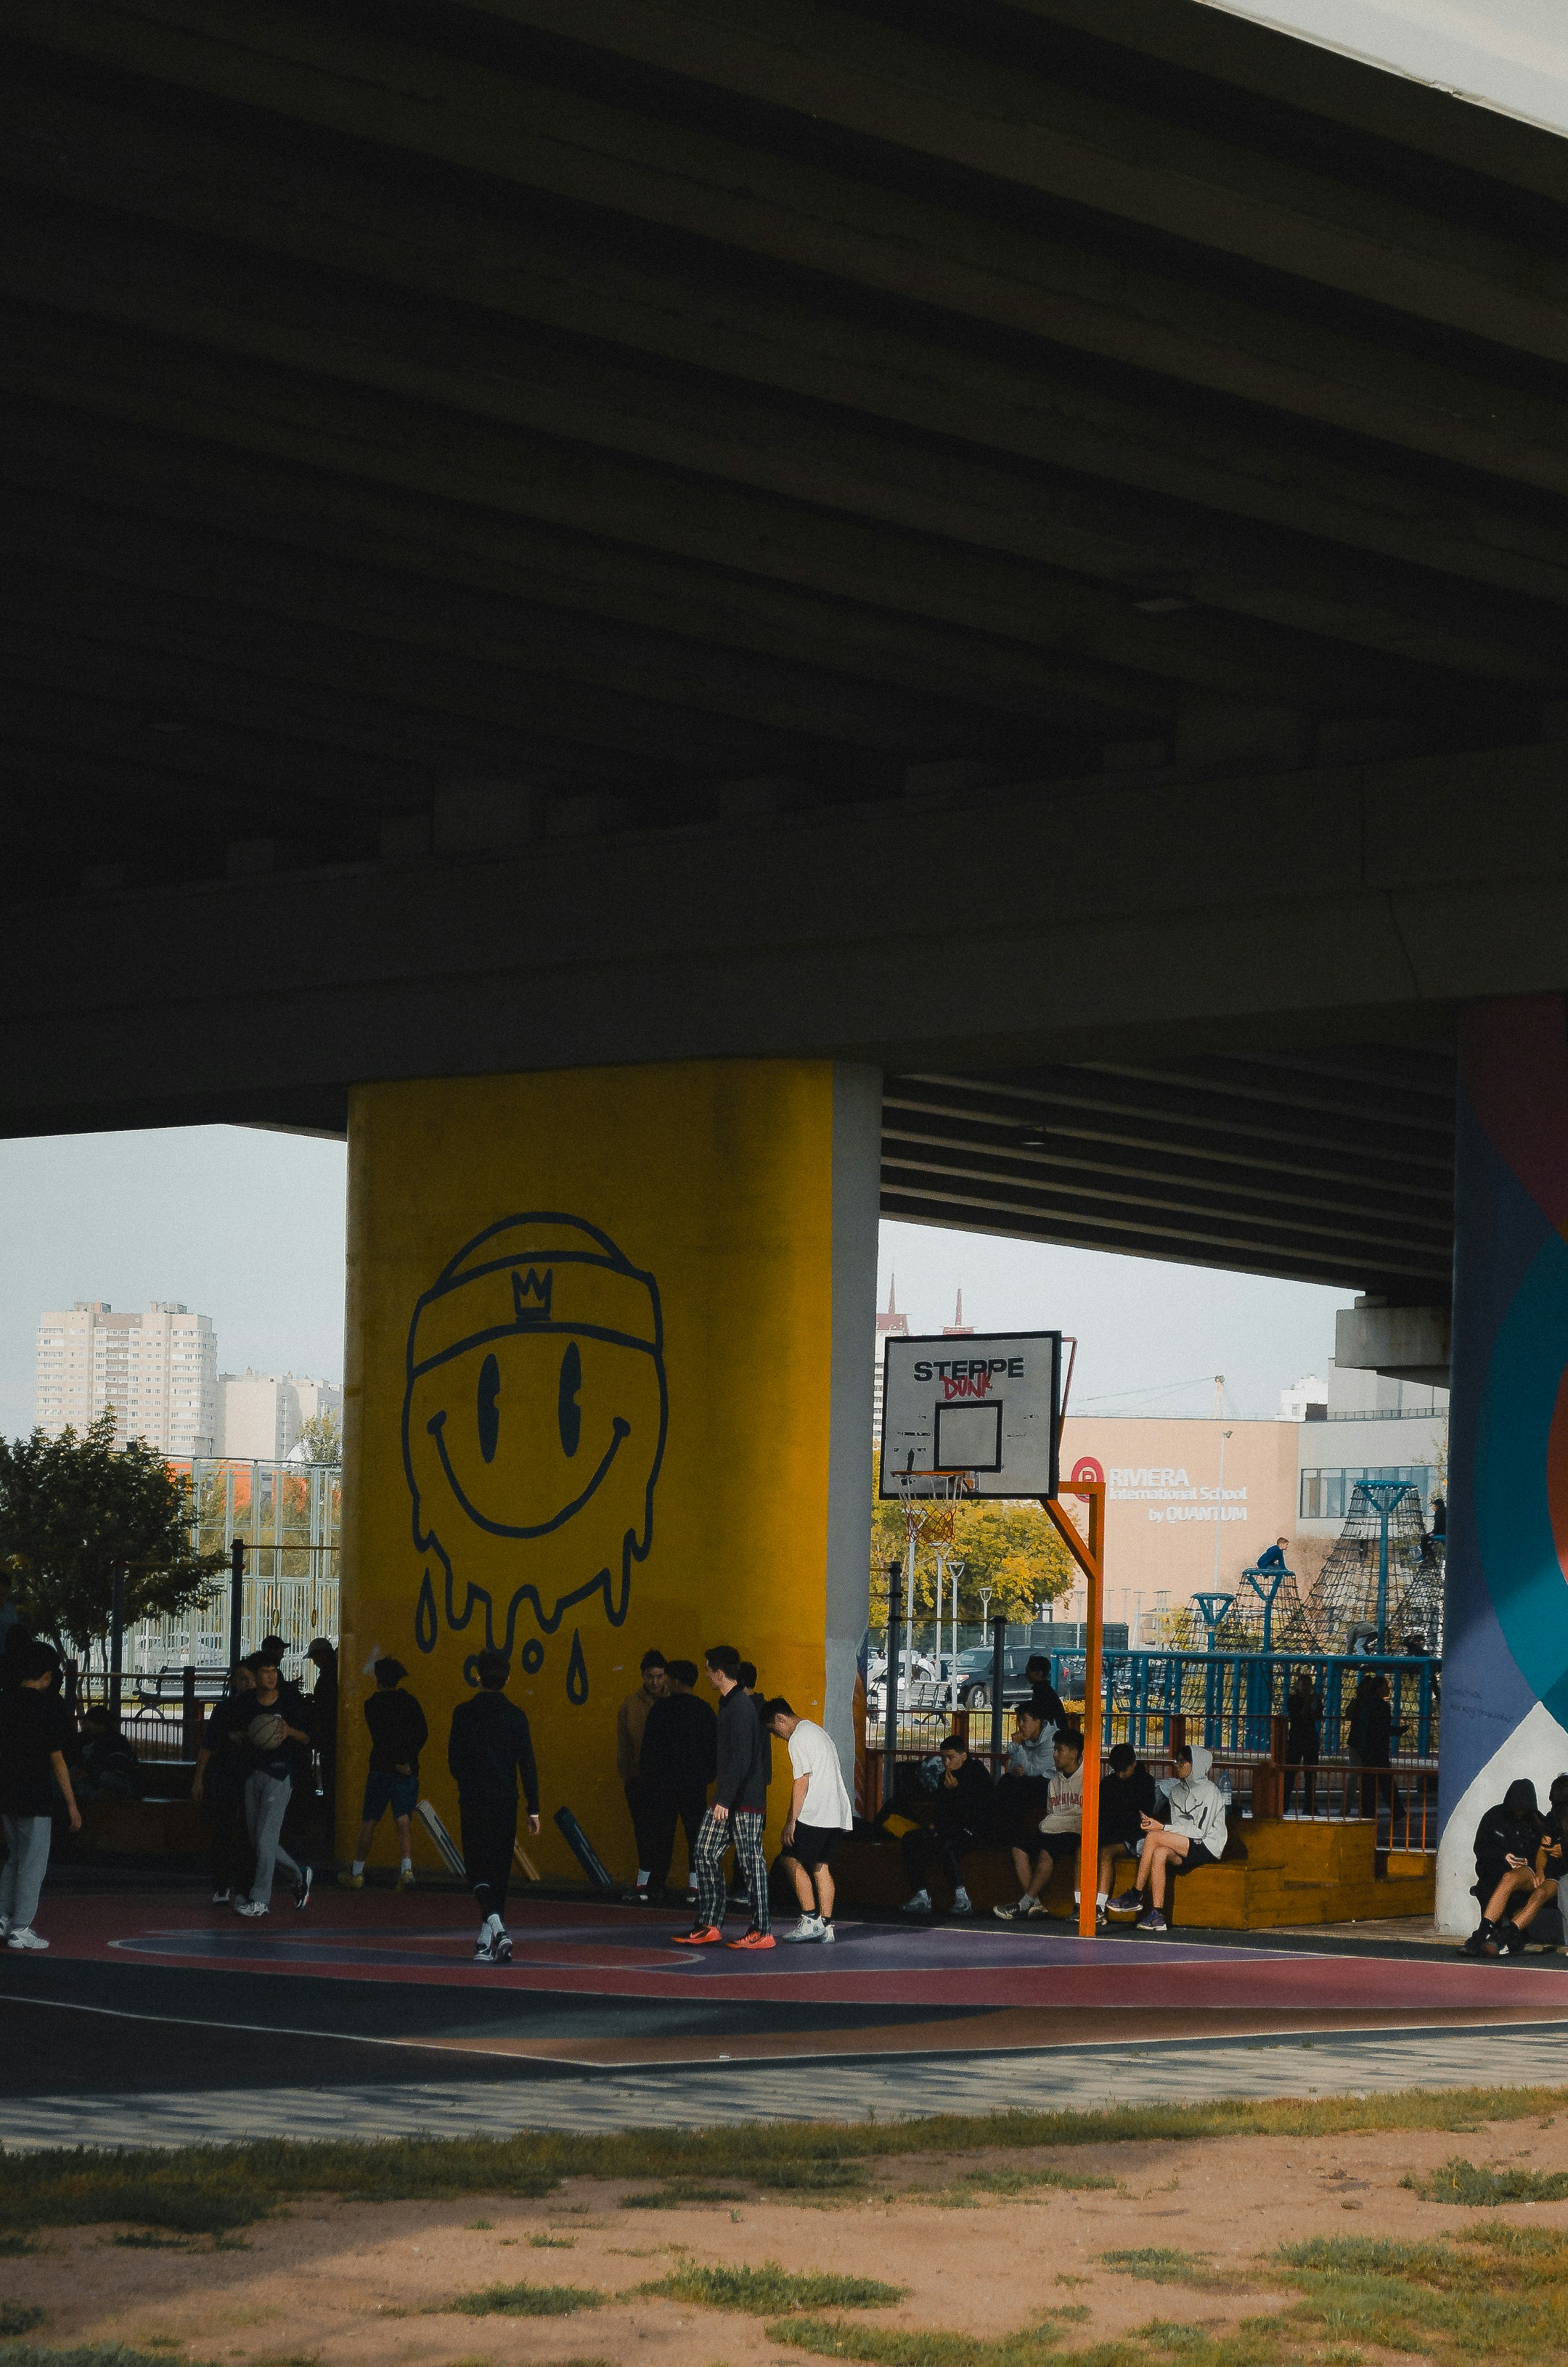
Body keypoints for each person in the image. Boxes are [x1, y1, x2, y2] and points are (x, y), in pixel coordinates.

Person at [674, 1644, 771, 1950]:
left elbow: (741, 1758)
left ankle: (762, 1930)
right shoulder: (730, 1704)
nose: (704, 1675)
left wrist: (724, 1800)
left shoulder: (740, 1706)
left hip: (743, 1801)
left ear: (719, 1672)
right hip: (732, 1799)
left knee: (750, 1862)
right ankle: (711, 1923)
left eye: (707, 1670)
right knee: (704, 1850)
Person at [447, 1646, 540, 1964]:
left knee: (476, 1869)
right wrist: (534, 1807)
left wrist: (468, 1781)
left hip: (473, 1799)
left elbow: (454, 1761)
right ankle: (487, 1939)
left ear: (477, 1676)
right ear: (508, 1678)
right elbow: (527, 1762)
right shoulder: (516, 1716)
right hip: (505, 1800)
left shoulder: (463, 1713)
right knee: (499, 1870)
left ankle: (494, 1932)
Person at [0, 1640, 81, 1950]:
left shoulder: (4, 1702)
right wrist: (72, 1805)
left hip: (6, 1794)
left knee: (14, 1858)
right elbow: (57, 1759)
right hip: (35, 1795)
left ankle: (3, 1917)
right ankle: (21, 1926)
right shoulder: (46, 1706)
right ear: (47, 1675)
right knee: (33, 1863)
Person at [1108, 1742, 1229, 1934]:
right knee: (1160, 1852)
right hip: (1187, 1845)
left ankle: (1136, 1894)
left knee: (1154, 1838)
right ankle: (1158, 1914)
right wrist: (1156, 1826)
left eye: (1183, 1762)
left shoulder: (1210, 1792)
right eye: (1177, 1761)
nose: (1178, 1765)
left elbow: (1200, 1832)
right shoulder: (1176, 1791)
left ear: (1196, 1764)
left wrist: (1162, 1828)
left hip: (1207, 1846)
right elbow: (1179, 1827)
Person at [234, 1646, 314, 1918]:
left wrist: (288, 1731)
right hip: (252, 1773)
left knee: (266, 1841)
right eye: (265, 1672)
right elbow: (236, 1731)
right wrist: (241, 1736)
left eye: (274, 1671)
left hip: (279, 1775)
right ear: (255, 1677)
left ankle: (260, 1901)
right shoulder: (247, 1703)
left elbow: (307, 1737)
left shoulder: (289, 1700)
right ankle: (298, 1876)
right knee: (259, 1843)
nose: (271, 1676)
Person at [767, 1698, 853, 1942]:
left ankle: (808, 1919)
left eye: (775, 1731)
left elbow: (801, 1782)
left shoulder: (798, 1737)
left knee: (789, 1858)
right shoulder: (816, 1731)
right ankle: (826, 1926)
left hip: (816, 1812)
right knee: (820, 1866)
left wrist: (791, 1821)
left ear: (780, 1719)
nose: (777, 1736)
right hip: (837, 1812)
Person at [339, 1657, 428, 1890]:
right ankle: (407, 1871)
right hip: (406, 1771)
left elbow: (383, 1738)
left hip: (380, 1768)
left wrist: (393, 1762)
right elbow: (421, 1734)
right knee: (403, 1820)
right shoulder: (411, 1702)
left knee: (369, 1820)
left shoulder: (371, 1705)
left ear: (378, 1680)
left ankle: (357, 1873)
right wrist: (406, 1762)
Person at [640, 1658, 716, 1903]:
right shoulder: (705, 1710)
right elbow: (714, 1750)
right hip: (694, 1785)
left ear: (674, 1681)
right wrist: (706, 1777)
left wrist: (649, 1781)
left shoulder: (660, 1710)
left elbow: (648, 1751)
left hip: (663, 1786)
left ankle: (656, 1884)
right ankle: (695, 1887)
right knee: (696, 1836)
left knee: (662, 1836)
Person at [995, 1725, 1084, 1921]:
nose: (1054, 1755)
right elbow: (1051, 1812)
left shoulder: (1088, 1778)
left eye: (1059, 1750)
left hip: (1075, 1832)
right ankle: (1034, 1903)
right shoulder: (1053, 1780)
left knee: (1047, 1851)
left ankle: (1023, 1904)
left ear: (1074, 1753)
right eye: (1054, 1749)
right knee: (1019, 1845)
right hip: (1052, 1829)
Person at [900, 1731, 994, 1916]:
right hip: (948, 1829)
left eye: (951, 1758)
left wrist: (956, 1791)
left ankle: (962, 1897)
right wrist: (934, 1826)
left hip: (974, 1831)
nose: (946, 1763)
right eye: (943, 1758)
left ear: (964, 1756)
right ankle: (921, 1895)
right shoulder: (946, 1777)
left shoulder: (977, 1773)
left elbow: (977, 1809)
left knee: (946, 1844)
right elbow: (941, 1808)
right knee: (911, 1839)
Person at [1464, 1778, 1549, 1956]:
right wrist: (1504, 1857)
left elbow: (1543, 1852)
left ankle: (1496, 1935)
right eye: (1516, 1809)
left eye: (1523, 1809)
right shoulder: (1493, 1817)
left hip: (1526, 1873)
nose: (1519, 1813)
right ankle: (1491, 1933)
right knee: (1493, 1884)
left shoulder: (1538, 1822)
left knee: (1514, 1884)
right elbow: (1481, 1848)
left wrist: (1530, 1864)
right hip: (1494, 1872)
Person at [192, 1661, 254, 1905]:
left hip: (252, 1777)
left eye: (251, 1678)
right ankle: (221, 1886)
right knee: (224, 1833)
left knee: (249, 1835)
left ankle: (245, 1885)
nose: (247, 1683)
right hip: (227, 1777)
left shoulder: (265, 1709)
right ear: (234, 1682)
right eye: (242, 1678)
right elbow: (208, 1745)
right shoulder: (224, 1710)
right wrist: (199, 1779)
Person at [992, 1702, 1058, 1919]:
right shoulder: (1025, 1740)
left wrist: (1017, 1748)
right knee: (1007, 1783)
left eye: (1024, 1720)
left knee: (1014, 1785)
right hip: (1029, 1787)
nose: (1020, 1725)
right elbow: (1014, 1769)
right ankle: (1034, 1903)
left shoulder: (1052, 1742)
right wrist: (1019, 1758)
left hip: (1048, 1789)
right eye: (1018, 1720)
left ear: (1038, 1722)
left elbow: (1031, 1770)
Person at [616, 1649, 668, 1897]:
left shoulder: (672, 1703)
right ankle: (648, 1882)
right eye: (650, 1677)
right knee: (644, 1832)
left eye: (659, 1676)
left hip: (666, 1780)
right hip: (638, 1779)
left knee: (662, 1833)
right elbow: (624, 1744)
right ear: (643, 1676)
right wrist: (626, 1777)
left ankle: (655, 1883)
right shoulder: (630, 1705)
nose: (655, 1682)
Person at [1095, 1741, 1157, 1926]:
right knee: (1085, 1848)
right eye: (1117, 1770)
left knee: (1106, 1853)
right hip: (1112, 1834)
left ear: (1134, 1764)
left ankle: (1099, 1908)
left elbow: (1144, 1816)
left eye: (1124, 1770)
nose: (1120, 1775)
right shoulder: (1107, 1783)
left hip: (1134, 1837)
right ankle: (1080, 1902)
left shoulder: (1146, 1783)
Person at [71, 1706, 140, 1802]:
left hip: (123, 1782)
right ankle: (98, 1794)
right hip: (103, 1779)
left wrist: (89, 1774)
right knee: (72, 1773)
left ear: (100, 1724)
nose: (87, 1725)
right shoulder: (92, 1738)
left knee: (105, 1777)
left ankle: (97, 1795)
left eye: (90, 1722)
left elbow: (117, 1766)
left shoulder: (116, 1741)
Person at [306, 1638, 339, 1818]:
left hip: (328, 1735)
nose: (315, 1662)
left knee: (329, 1777)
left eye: (314, 1658)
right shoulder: (335, 1672)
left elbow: (325, 1707)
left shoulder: (328, 1675)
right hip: (330, 1734)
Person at [1283, 1673, 1322, 1818]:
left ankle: (1310, 1806)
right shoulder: (1293, 1700)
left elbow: (1318, 1715)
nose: (1306, 1688)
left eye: (1308, 1684)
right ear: (1298, 1686)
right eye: (1303, 1684)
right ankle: (1284, 1804)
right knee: (1290, 1773)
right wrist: (1306, 1704)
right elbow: (1297, 1717)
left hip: (1310, 1738)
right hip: (1296, 1738)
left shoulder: (1316, 1699)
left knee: (1311, 1774)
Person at [1023, 1656, 1067, 1736]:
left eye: (1028, 1670)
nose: (1026, 1674)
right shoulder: (1047, 1691)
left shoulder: (1042, 1693)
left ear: (1039, 1673)